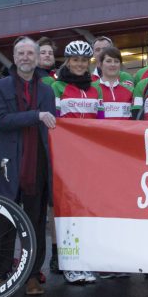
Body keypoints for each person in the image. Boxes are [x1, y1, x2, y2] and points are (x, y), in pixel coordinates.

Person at [0, 37, 56, 296]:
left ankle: (31, 276)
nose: (26, 57)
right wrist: (36, 115)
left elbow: (51, 131)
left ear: (38, 58)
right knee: (4, 221)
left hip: (37, 163)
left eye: (30, 53)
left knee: (36, 222)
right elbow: (2, 120)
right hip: (9, 163)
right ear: (14, 57)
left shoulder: (47, 91)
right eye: (20, 53)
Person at [50, 40, 101, 284]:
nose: (80, 64)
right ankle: (69, 262)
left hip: (89, 158)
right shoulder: (57, 87)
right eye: (75, 60)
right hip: (66, 156)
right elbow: (57, 123)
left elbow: (102, 124)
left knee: (86, 209)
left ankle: (86, 259)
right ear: (67, 61)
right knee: (68, 208)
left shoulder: (95, 89)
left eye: (84, 60)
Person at [97, 47, 134, 119]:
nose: (113, 64)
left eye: (116, 61)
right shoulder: (92, 88)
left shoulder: (130, 91)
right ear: (100, 64)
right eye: (108, 61)